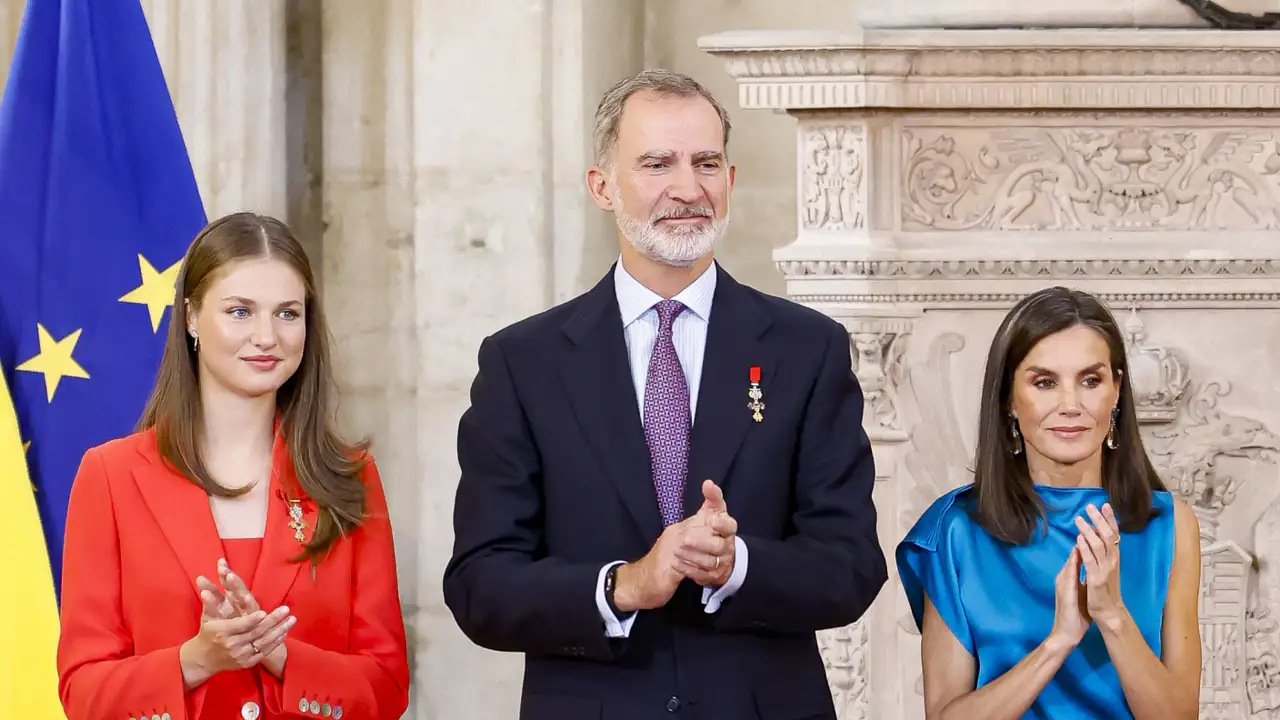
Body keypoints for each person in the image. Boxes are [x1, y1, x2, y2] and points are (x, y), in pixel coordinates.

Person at [442, 68, 887, 720]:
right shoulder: (523, 363)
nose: (688, 188)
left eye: (706, 163)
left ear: (731, 180)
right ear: (603, 186)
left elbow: (851, 566)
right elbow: (480, 585)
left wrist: (735, 565)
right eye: (657, 164)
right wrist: (625, 584)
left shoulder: (806, 349)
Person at [56, 213, 410, 720]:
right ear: (193, 318)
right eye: (240, 311)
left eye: (288, 314)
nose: (267, 336)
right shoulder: (111, 476)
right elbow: (83, 691)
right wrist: (193, 662)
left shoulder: (350, 475)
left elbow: (387, 686)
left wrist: (281, 656)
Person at [897, 287, 1202, 719]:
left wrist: (1112, 616)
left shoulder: (1170, 526)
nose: (1070, 405)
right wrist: (1058, 641)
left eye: (1090, 380)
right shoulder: (956, 529)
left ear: (1117, 390)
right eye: (1044, 382)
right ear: (1008, 399)